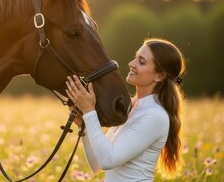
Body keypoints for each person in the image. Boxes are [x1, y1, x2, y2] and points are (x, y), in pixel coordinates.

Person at [66, 38, 186, 181]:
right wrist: (84, 126)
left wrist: (89, 111)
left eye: (141, 62)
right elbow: (97, 165)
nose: (131, 64)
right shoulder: (130, 106)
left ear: (159, 76)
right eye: (135, 58)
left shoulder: (155, 116)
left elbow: (108, 161)